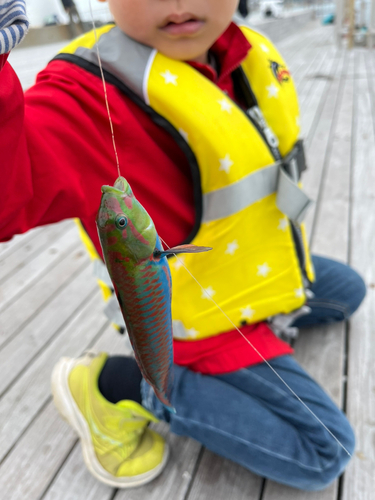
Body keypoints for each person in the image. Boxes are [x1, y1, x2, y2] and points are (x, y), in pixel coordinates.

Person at [0, 0, 366, 492]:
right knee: (325, 450)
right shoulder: (85, 94)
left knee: (349, 290)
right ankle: (116, 386)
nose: (176, 2)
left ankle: (266, 319)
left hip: (250, 272)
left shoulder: (241, 53)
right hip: (199, 321)